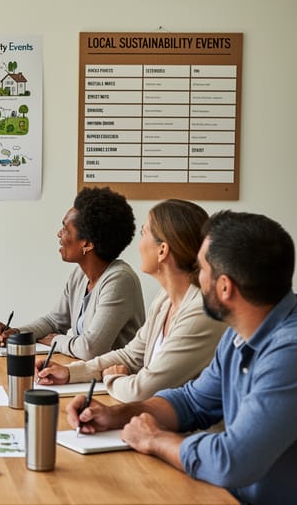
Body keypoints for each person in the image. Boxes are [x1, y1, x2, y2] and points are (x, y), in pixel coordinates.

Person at [68, 210, 297, 504]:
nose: (196, 278)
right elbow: (192, 401)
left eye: (201, 269)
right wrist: (117, 414)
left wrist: (156, 439)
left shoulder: (288, 353)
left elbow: (233, 461)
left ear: (225, 287)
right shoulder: (239, 334)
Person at [36, 199, 225, 401]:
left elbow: (143, 389)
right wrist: (70, 372)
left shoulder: (199, 311)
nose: (138, 243)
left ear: (162, 250)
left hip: (187, 430)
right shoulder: (165, 299)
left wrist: (113, 378)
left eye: (144, 233)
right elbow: (131, 356)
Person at [0, 187, 145, 359]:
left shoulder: (119, 280)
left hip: (114, 381)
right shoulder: (80, 275)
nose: (59, 234)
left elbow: (90, 349)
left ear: (87, 244)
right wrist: (17, 334)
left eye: (65, 229)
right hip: (87, 374)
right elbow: (54, 322)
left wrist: (57, 340)